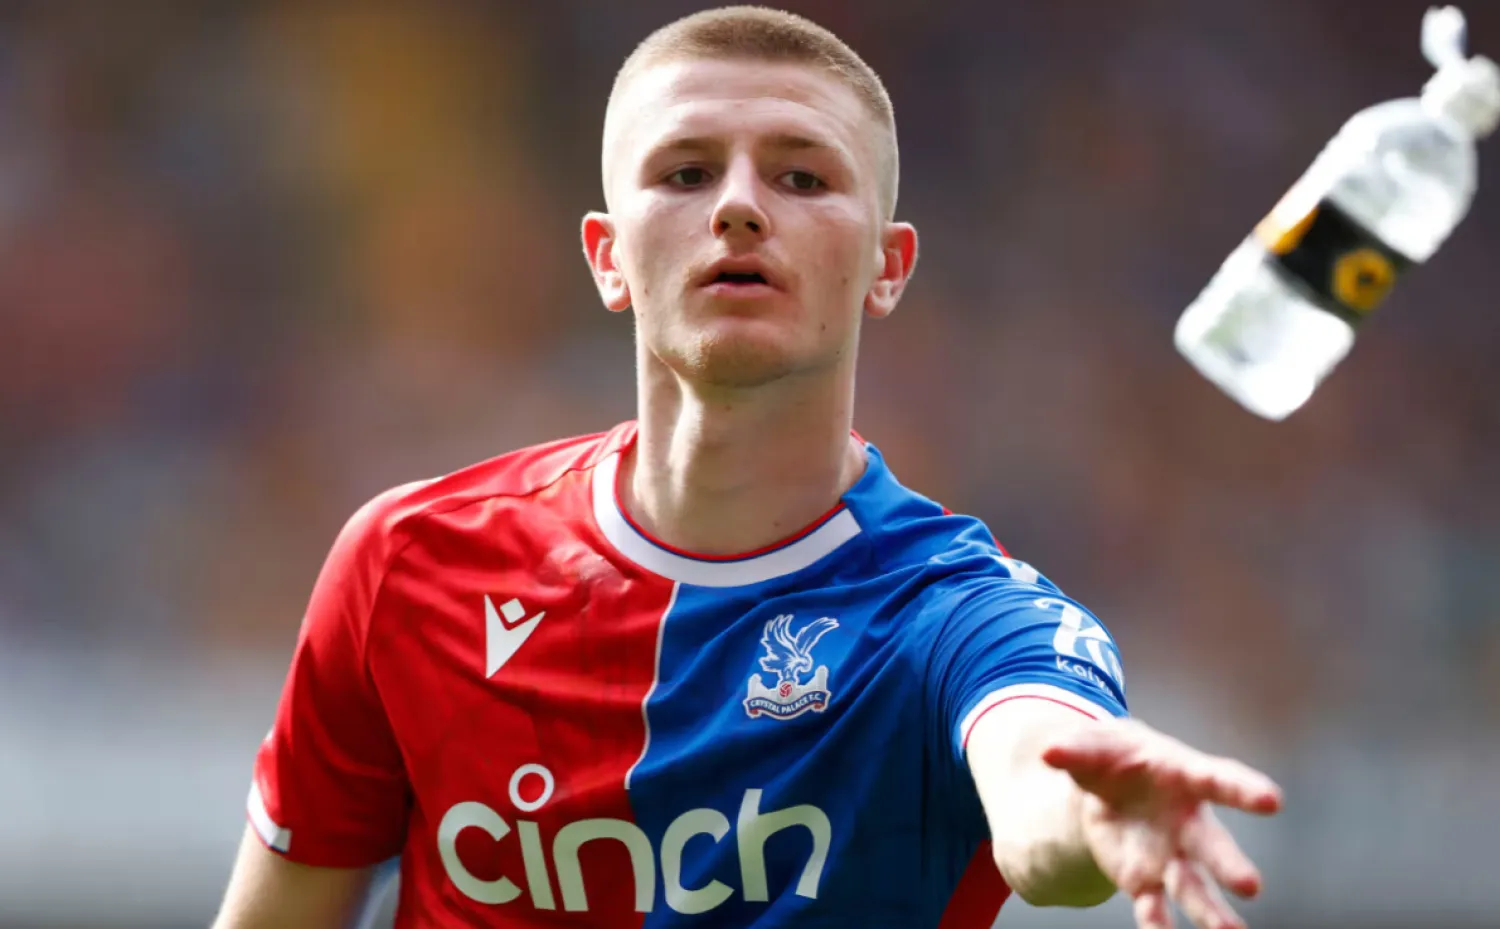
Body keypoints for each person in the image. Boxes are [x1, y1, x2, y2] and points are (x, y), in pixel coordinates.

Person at [212, 7, 1283, 929]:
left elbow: (1037, 762)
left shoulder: (950, 614)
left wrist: (1091, 812)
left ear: (887, 265)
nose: (737, 204)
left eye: (802, 174)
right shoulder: (407, 565)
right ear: (607, 256)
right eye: (685, 171)